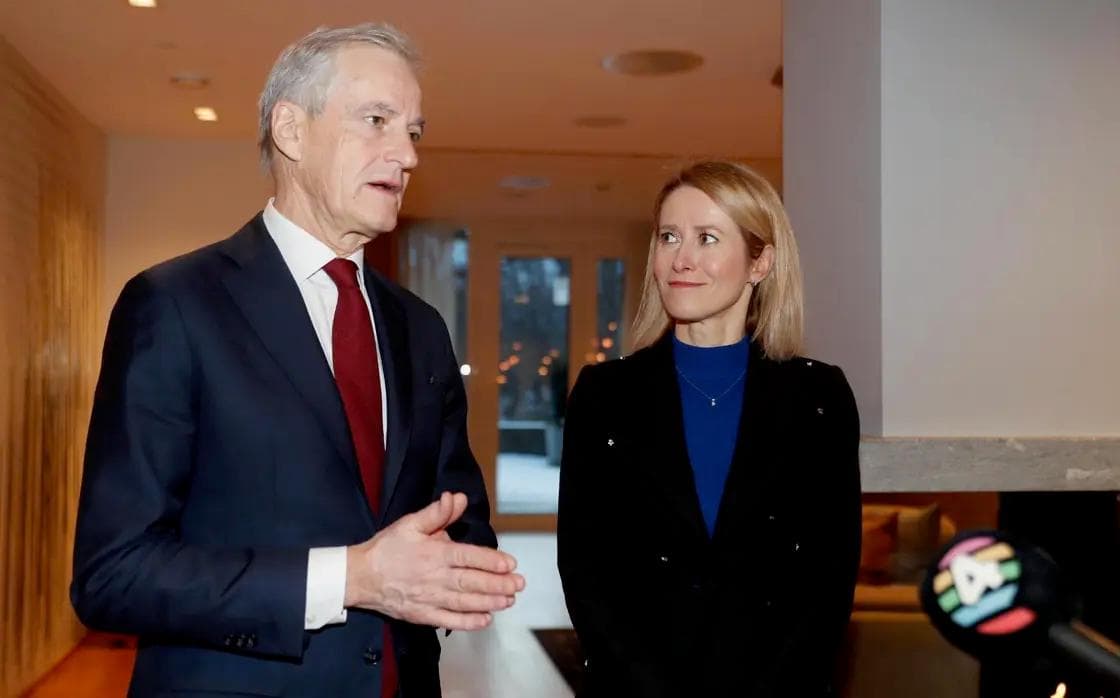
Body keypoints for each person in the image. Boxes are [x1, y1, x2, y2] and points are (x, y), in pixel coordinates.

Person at [71, 23, 523, 698]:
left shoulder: (421, 327)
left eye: (413, 131)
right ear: (291, 130)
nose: (407, 155)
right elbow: (114, 575)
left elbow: (461, 518)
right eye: (377, 120)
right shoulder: (174, 305)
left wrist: (459, 569)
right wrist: (354, 578)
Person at [557, 161, 862, 697]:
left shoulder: (819, 397)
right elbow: (586, 570)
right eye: (669, 237)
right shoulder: (604, 395)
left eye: (707, 238)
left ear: (760, 262)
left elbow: (828, 578)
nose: (681, 259)